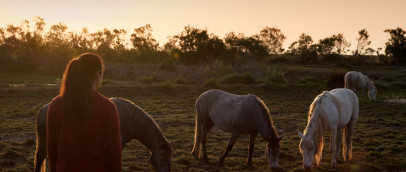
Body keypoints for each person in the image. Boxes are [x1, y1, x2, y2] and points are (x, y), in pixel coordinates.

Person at [46, 53, 121, 172]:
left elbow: (51, 150)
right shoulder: (107, 108)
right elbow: (114, 155)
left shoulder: (55, 106)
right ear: (98, 74)